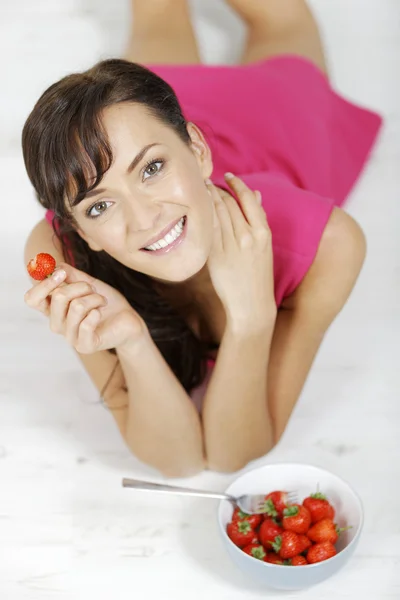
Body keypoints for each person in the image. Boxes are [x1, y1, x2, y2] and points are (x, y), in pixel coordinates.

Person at [22, 0, 382, 477]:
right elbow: (190, 460)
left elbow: (234, 453)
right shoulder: (61, 257)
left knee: (278, 20)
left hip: (272, 121)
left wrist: (252, 310)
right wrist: (131, 341)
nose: (145, 217)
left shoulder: (327, 245)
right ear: (82, 231)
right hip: (131, 135)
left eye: (152, 170)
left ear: (196, 149)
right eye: (99, 206)